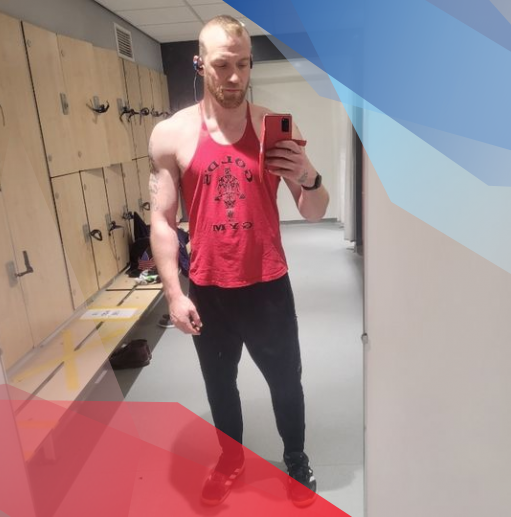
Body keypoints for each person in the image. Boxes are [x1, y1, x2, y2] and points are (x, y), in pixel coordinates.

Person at [148, 15, 329, 508]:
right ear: (200, 63)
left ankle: (296, 458)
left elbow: (314, 212)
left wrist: (309, 177)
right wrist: (174, 293)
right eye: (222, 65)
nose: (234, 77)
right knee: (219, 385)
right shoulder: (171, 134)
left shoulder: (274, 128)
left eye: (243, 65)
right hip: (209, 289)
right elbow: (162, 220)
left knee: (286, 382)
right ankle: (230, 460)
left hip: (268, 285)